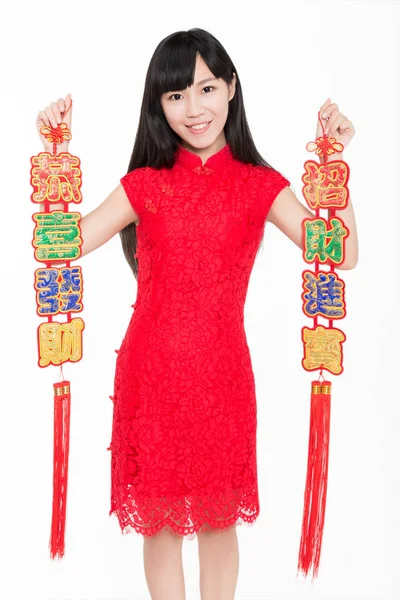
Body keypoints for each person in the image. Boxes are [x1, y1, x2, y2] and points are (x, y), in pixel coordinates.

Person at [36, 27, 358, 600]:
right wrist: (51, 155)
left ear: (231, 88)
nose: (194, 108)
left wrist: (336, 168)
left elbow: (342, 251)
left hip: (222, 377)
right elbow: (58, 245)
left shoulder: (261, 185)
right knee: (158, 528)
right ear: (158, 106)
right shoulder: (145, 185)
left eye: (206, 88)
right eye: (176, 95)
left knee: (218, 525)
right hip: (151, 376)